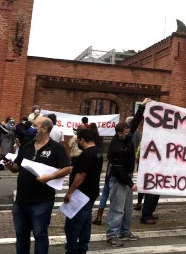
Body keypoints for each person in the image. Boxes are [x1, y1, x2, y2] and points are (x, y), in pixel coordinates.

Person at [5, 116, 71, 254]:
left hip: (42, 201)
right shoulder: (26, 146)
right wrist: (11, 166)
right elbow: (17, 167)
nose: (31, 128)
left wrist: (50, 177)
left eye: (35, 125)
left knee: (40, 235)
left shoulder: (56, 148)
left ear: (45, 129)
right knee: (21, 235)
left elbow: (67, 168)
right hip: (21, 200)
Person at [105, 98, 151, 247]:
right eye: (126, 133)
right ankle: (112, 235)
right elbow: (118, 169)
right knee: (117, 208)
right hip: (119, 179)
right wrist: (130, 183)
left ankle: (124, 231)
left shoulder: (126, 138)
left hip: (127, 176)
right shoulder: (115, 147)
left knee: (127, 208)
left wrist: (142, 107)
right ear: (119, 133)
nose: (129, 134)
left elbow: (135, 122)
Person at [64, 128, 103, 254]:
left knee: (72, 226)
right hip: (91, 192)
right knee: (85, 224)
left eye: (78, 141)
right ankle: (82, 248)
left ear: (82, 140)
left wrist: (70, 192)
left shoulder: (86, 154)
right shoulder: (98, 152)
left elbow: (81, 175)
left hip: (81, 194)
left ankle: (72, 250)